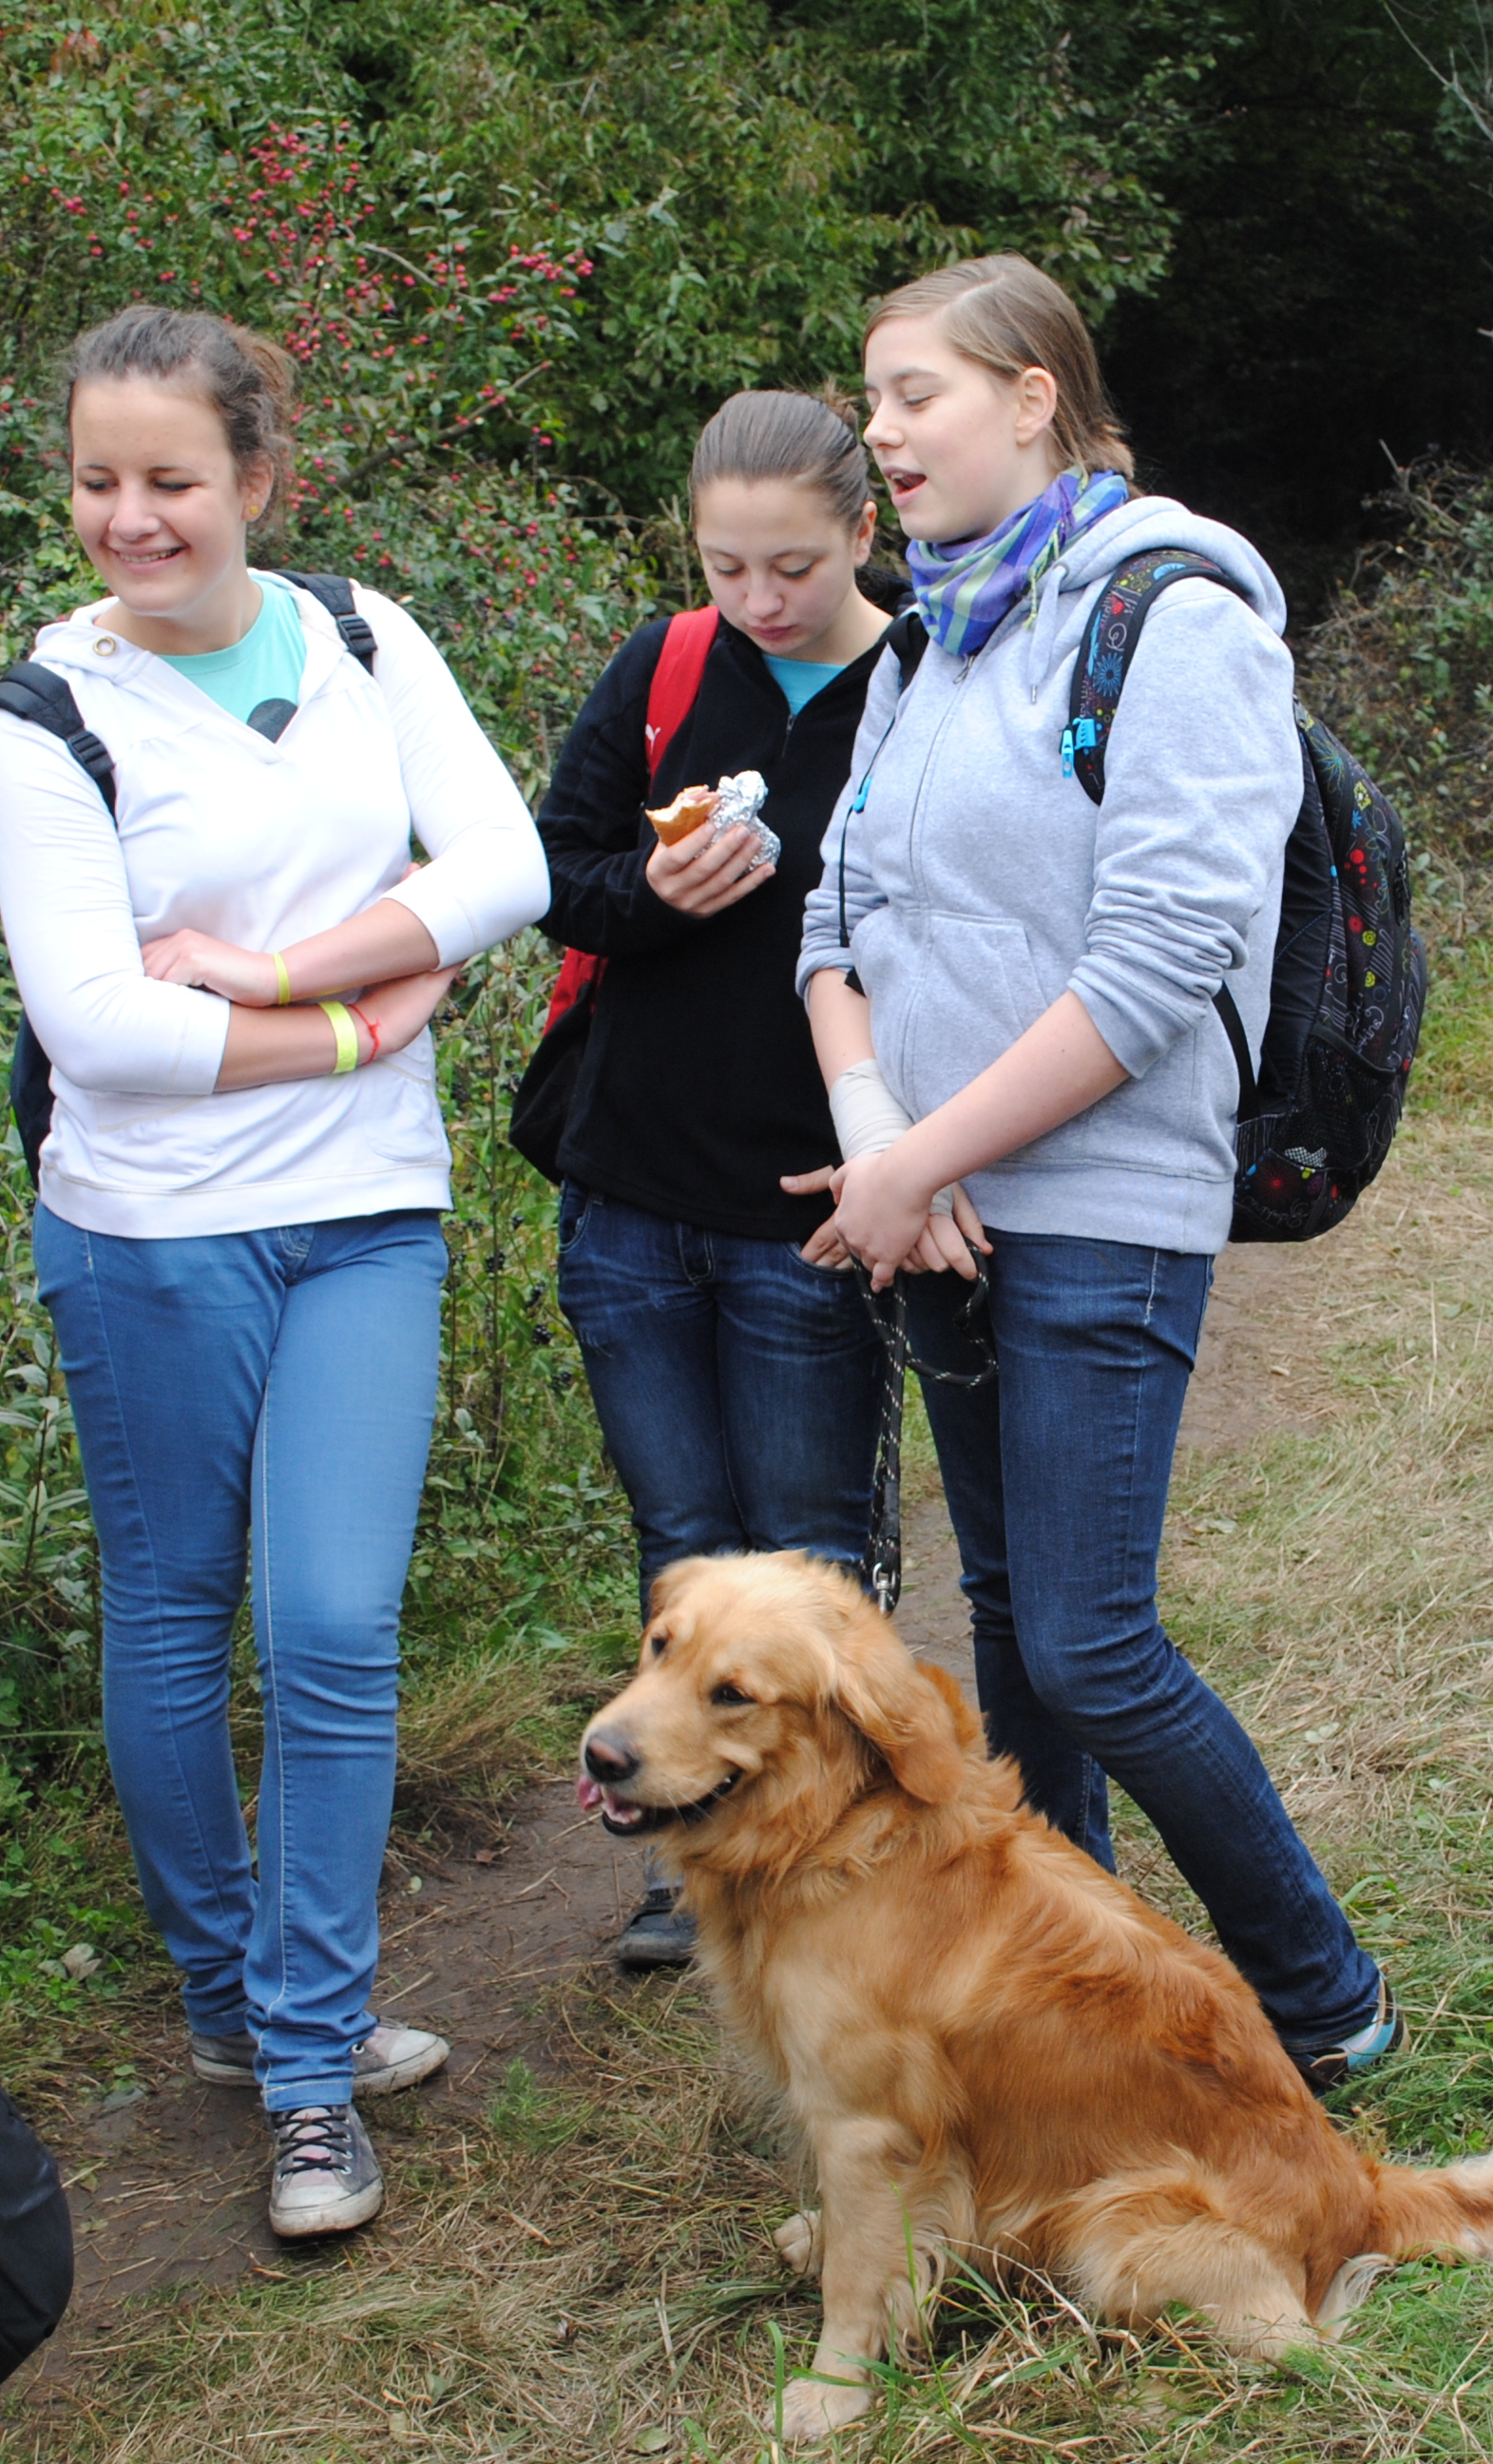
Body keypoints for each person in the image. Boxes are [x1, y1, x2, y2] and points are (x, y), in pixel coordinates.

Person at [794, 253, 1394, 2091]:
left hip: (1101, 1207)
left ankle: (1324, 2003)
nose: (882, 434)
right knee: (1013, 1632)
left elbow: (1157, 967)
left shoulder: (1177, 613)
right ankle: (1066, 1994)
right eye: (874, 401)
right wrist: (881, 1141)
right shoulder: (926, 640)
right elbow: (830, 921)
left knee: (1091, 1644)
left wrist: (919, 1158)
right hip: (942, 1210)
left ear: (1035, 395)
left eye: (917, 394)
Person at [0, 304, 549, 2240]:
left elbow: (504, 868)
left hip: (367, 1213)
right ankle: (233, 2003)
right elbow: (99, 1027)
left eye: (171, 479)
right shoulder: (49, 713)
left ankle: (309, 2065)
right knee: (172, 1618)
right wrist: (370, 1019)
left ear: (259, 480)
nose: (130, 519)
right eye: (97, 480)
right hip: (147, 1229)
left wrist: (281, 972)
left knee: (329, 1626)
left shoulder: (366, 638)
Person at [530, 391, 901, 1972]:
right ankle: (682, 1849)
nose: (758, 601)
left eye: (793, 568)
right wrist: (654, 891)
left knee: (813, 1558)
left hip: (805, 1206)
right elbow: (554, 874)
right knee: (682, 1546)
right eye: (725, 566)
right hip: (630, 1193)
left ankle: (842, 1859)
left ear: (865, 531)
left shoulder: (923, 681)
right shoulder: (670, 668)